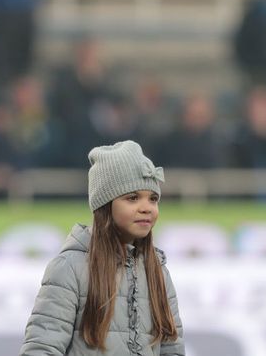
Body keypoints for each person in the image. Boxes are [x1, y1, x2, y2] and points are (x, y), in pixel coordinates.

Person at [19, 140, 185, 356]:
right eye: (133, 198)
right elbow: (41, 349)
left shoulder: (158, 271)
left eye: (153, 199)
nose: (146, 208)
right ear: (104, 205)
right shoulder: (69, 268)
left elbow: (172, 349)